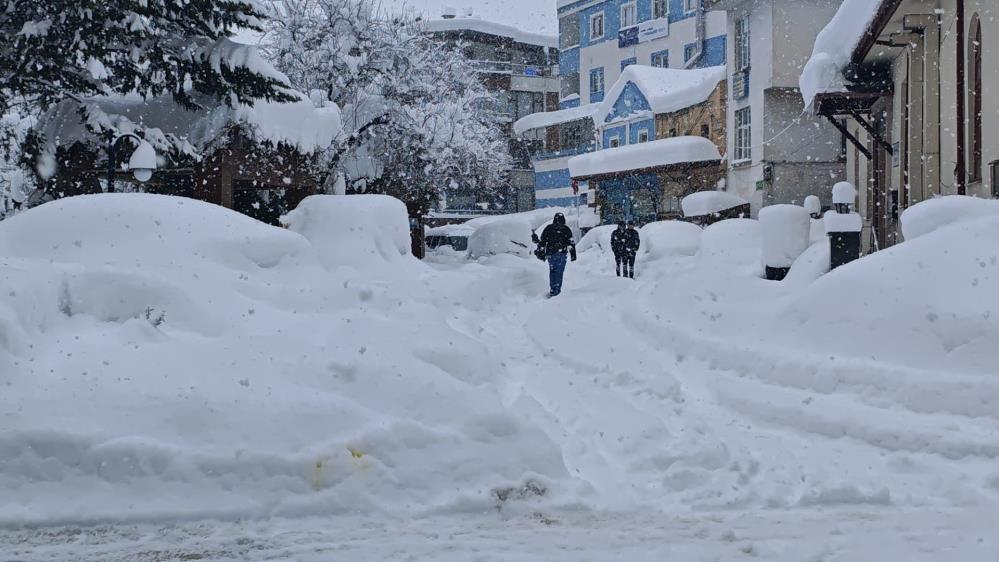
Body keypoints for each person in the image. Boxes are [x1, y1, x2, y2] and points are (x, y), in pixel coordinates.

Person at [538, 213, 576, 297]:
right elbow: (571, 242)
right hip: (562, 253)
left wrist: (541, 252)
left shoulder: (548, 228)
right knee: (559, 272)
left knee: (552, 270)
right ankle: (557, 290)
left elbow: (543, 241)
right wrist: (573, 255)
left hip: (551, 253)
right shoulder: (566, 229)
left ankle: (552, 288)